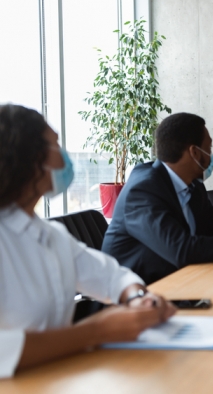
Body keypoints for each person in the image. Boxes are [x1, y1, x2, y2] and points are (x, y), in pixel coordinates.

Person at [0, 104, 175, 379]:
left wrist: (137, 297)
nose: (64, 159)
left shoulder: (49, 234)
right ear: (28, 158)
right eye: (56, 146)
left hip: (58, 377)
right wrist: (99, 330)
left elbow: (109, 274)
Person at [102, 113, 213, 285]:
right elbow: (182, 249)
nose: (211, 155)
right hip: (138, 295)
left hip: (180, 280)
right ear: (195, 153)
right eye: (209, 148)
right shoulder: (143, 191)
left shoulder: (192, 185)